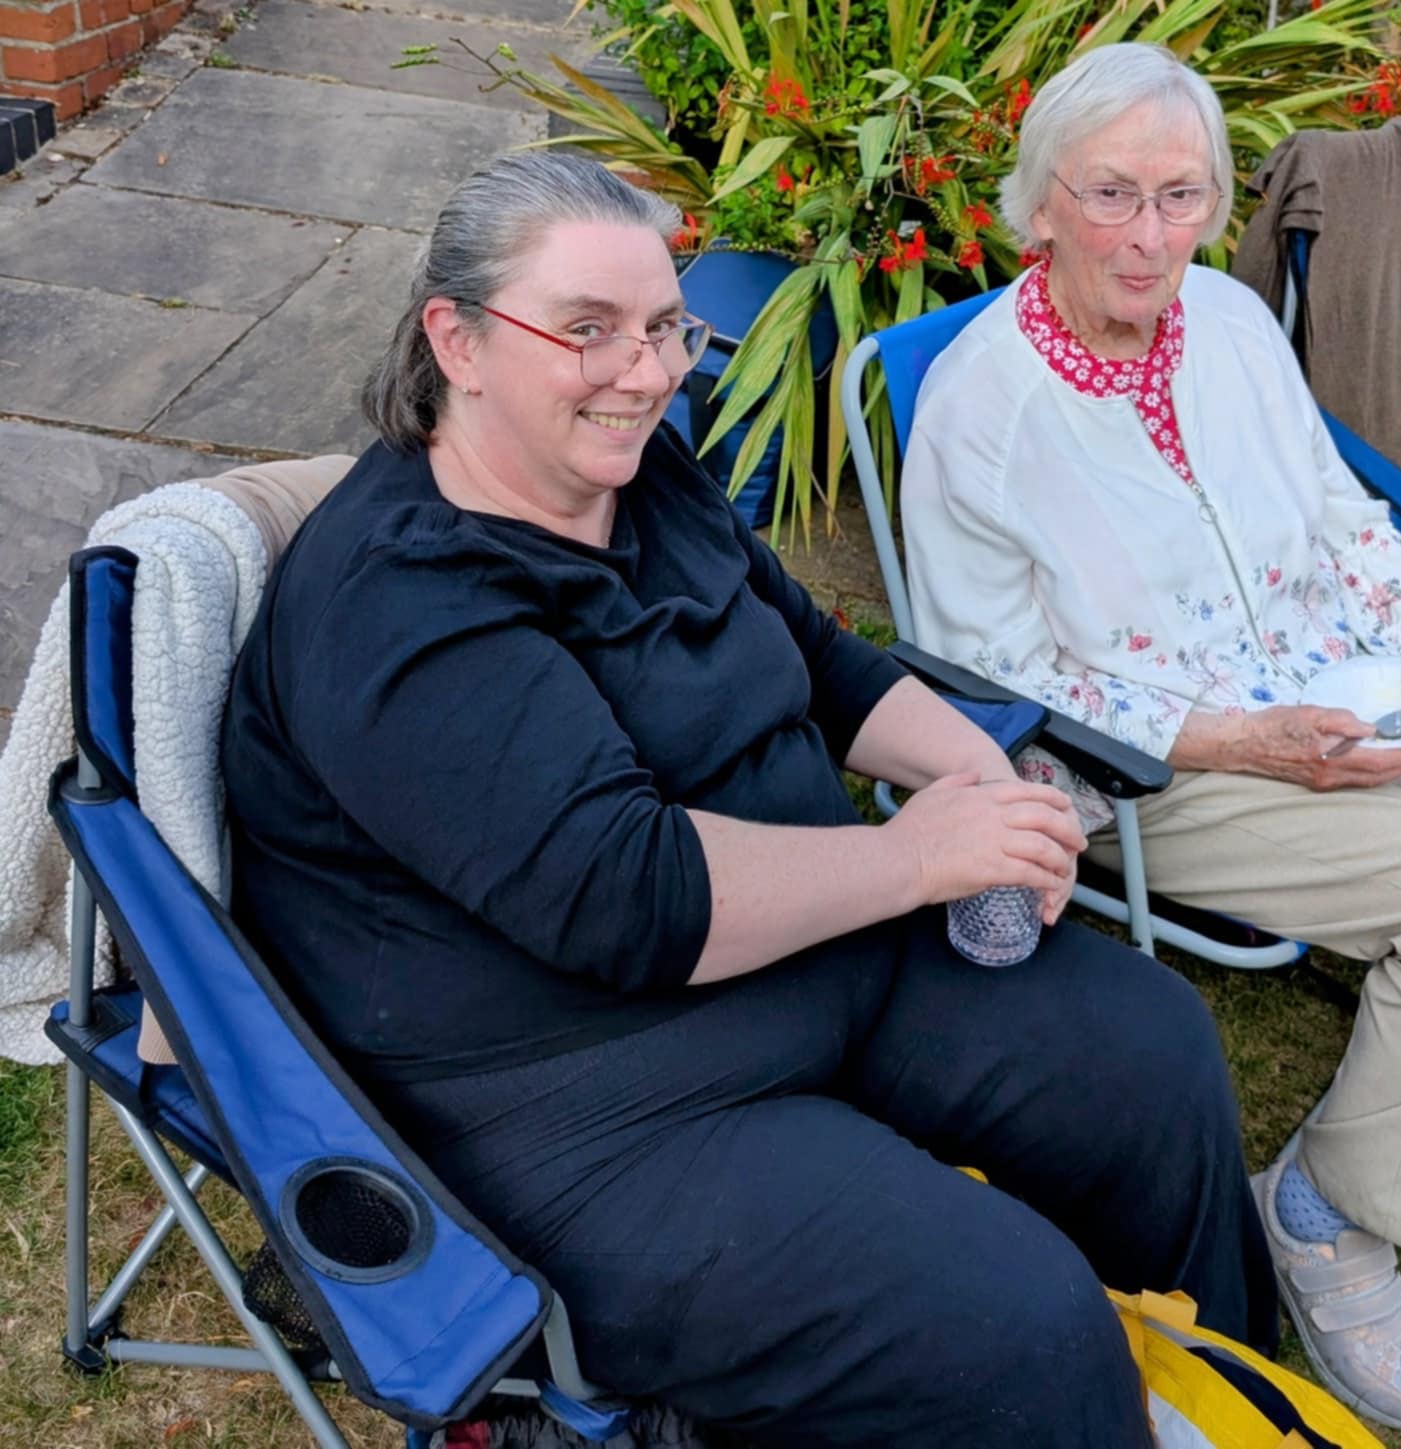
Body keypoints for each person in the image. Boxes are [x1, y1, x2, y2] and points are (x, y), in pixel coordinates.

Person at [219, 151, 1278, 1447]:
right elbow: (634, 898)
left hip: (809, 951)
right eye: (588, 330)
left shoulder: (641, 475)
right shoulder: (400, 611)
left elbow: (822, 665)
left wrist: (976, 778)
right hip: (588, 1098)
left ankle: (1230, 1393)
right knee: (1015, 1321)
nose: (648, 371)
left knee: (1147, 1051)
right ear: (460, 340)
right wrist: (917, 861)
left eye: (666, 326)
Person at [901, 42, 1401, 1433]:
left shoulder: (1228, 321)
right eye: (1110, 195)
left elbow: (1339, 522)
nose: (1149, 239)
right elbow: (994, 677)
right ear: (1038, 206)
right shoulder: (980, 410)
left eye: (1182, 195)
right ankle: (1324, 1206)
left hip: (1344, 681)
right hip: (1164, 763)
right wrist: (1248, 740)